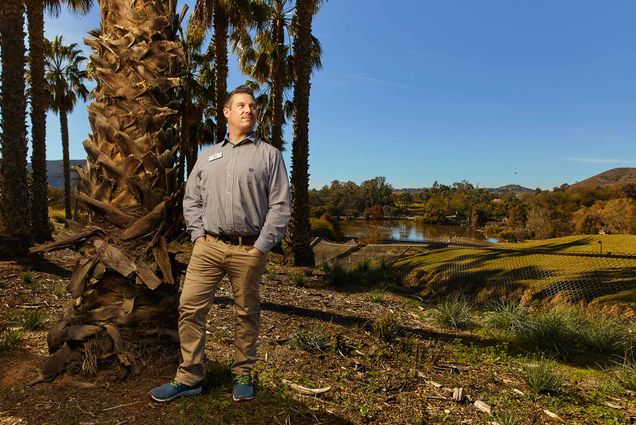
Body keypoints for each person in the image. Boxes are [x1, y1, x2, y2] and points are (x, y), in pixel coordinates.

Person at [150, 87, 291, 402]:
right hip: (208, 247)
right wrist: (198, 236)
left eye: (253, 106)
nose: (249, 110)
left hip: (249, 249)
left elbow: (281, 206)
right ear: (226, 112)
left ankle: (243, 372)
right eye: (241, 105)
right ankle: (190, 377)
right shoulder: (207, 155)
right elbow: (192, 199)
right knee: (189, 307)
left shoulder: (269, 155)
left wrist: (261, 246)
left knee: (246, 312)